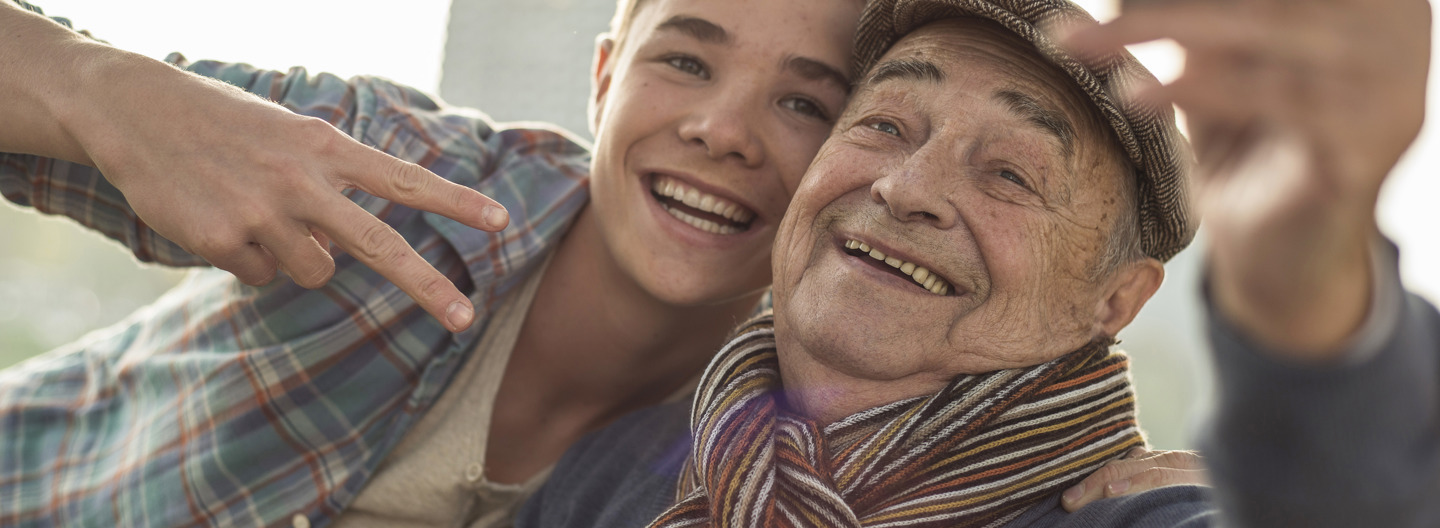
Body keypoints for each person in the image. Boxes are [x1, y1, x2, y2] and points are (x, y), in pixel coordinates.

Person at [517, 0, 1440, 526]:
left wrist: (1308, 280)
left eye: (1010, 173)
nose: (906, 187)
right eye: (883, 124)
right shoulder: (614, 474)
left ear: (1113, 298)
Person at [0, 0, 867, 525]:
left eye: (803, 102)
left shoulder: (780, 451)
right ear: (604, 80)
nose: (721, 130)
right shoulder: (382, 169)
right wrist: (99, 90)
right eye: (685, 59)